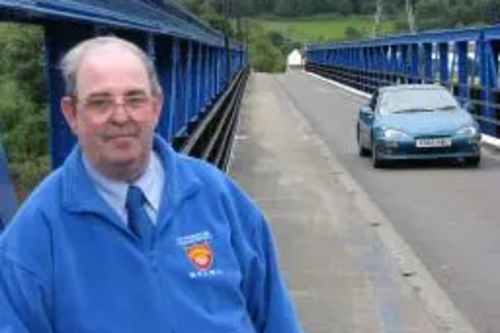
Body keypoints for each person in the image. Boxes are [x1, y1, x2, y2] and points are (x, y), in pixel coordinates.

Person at [0, 36, 303, 333]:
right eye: (100, 102)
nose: (120, 116)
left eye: (134, 99)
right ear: (71, 114)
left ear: (156, 107)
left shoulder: (217, 195)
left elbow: (275, 315)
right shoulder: (34, 234)